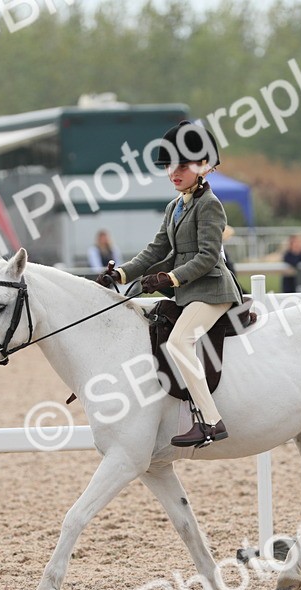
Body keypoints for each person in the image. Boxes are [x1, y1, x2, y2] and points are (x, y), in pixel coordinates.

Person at [96, 120, 242, 448]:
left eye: (182, 165)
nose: (173, 172)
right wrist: (120, 274)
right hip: (189, 292)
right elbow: (155, 250)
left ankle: (210, 421)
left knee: (178, 342)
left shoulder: (210, 205)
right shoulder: (175, 206)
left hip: (213, 290)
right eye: (168, 166)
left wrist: (171, 277)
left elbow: (207, 257)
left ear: (203, 166)